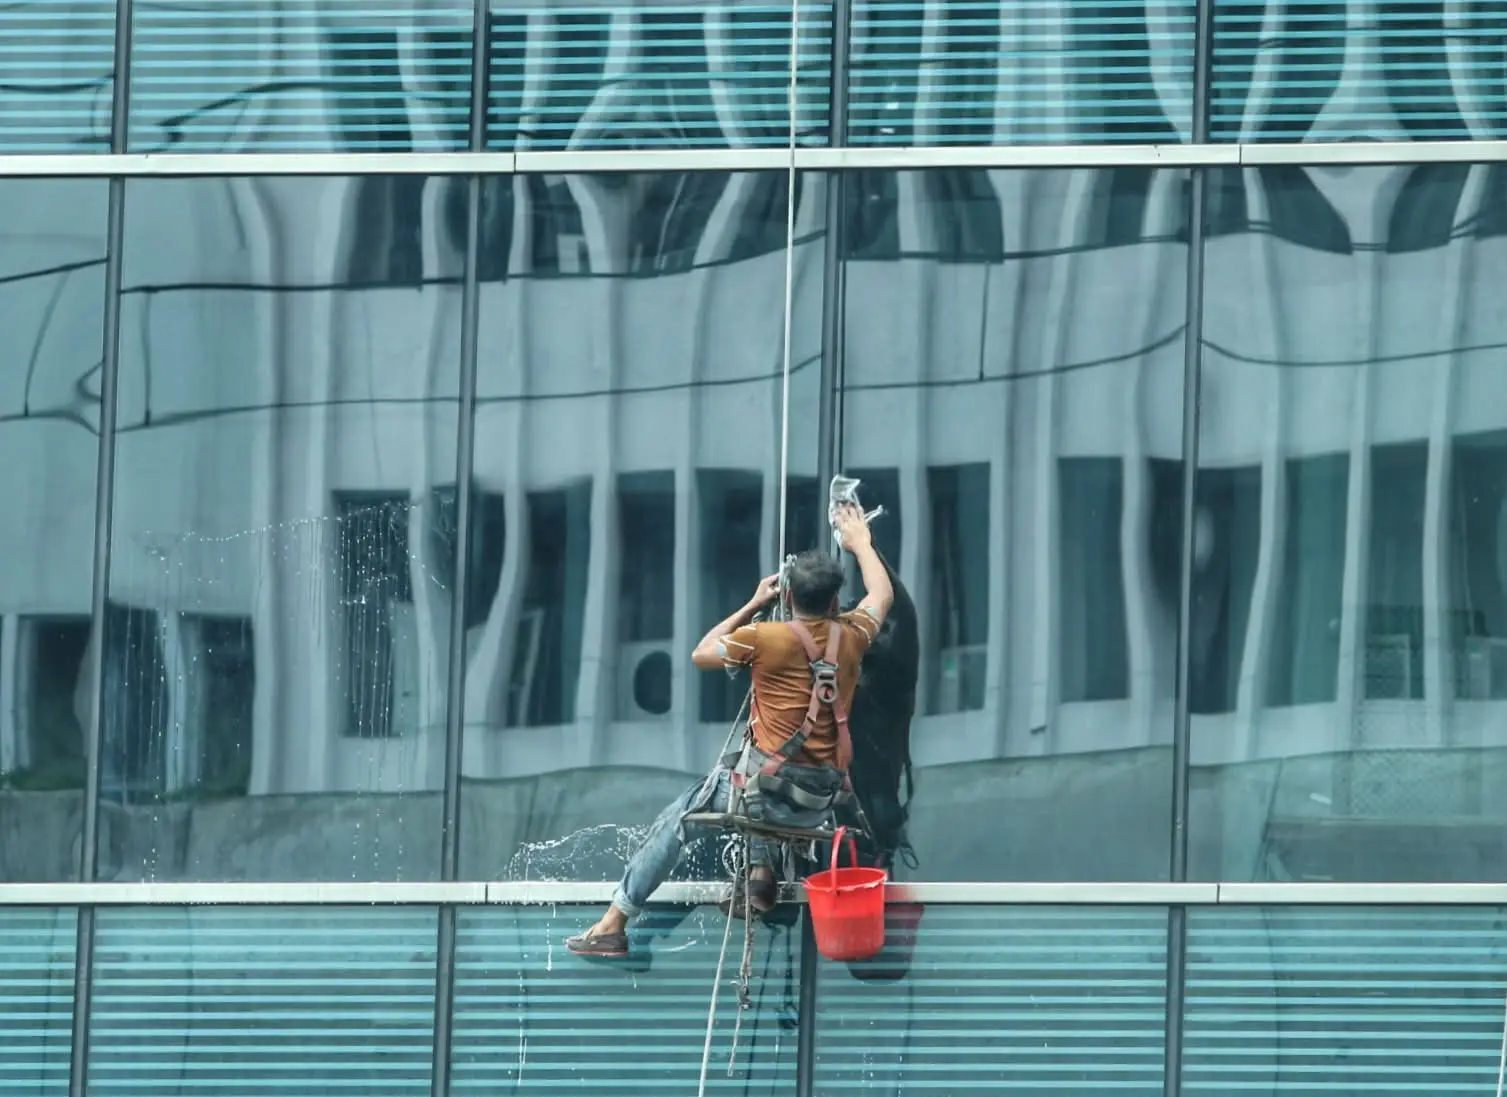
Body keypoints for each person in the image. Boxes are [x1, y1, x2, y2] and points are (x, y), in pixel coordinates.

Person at [565, 502, 894, 958]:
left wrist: (755, 602)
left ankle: (612, 923)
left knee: (683, 817)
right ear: (836, 601)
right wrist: (861, 543)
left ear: (787, 599)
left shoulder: (765, 639)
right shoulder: (854, 633)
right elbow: (881, 594)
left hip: (768, 793)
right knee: (756, 762)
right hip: (819, 799)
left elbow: (702, 653)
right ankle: (759, 880)